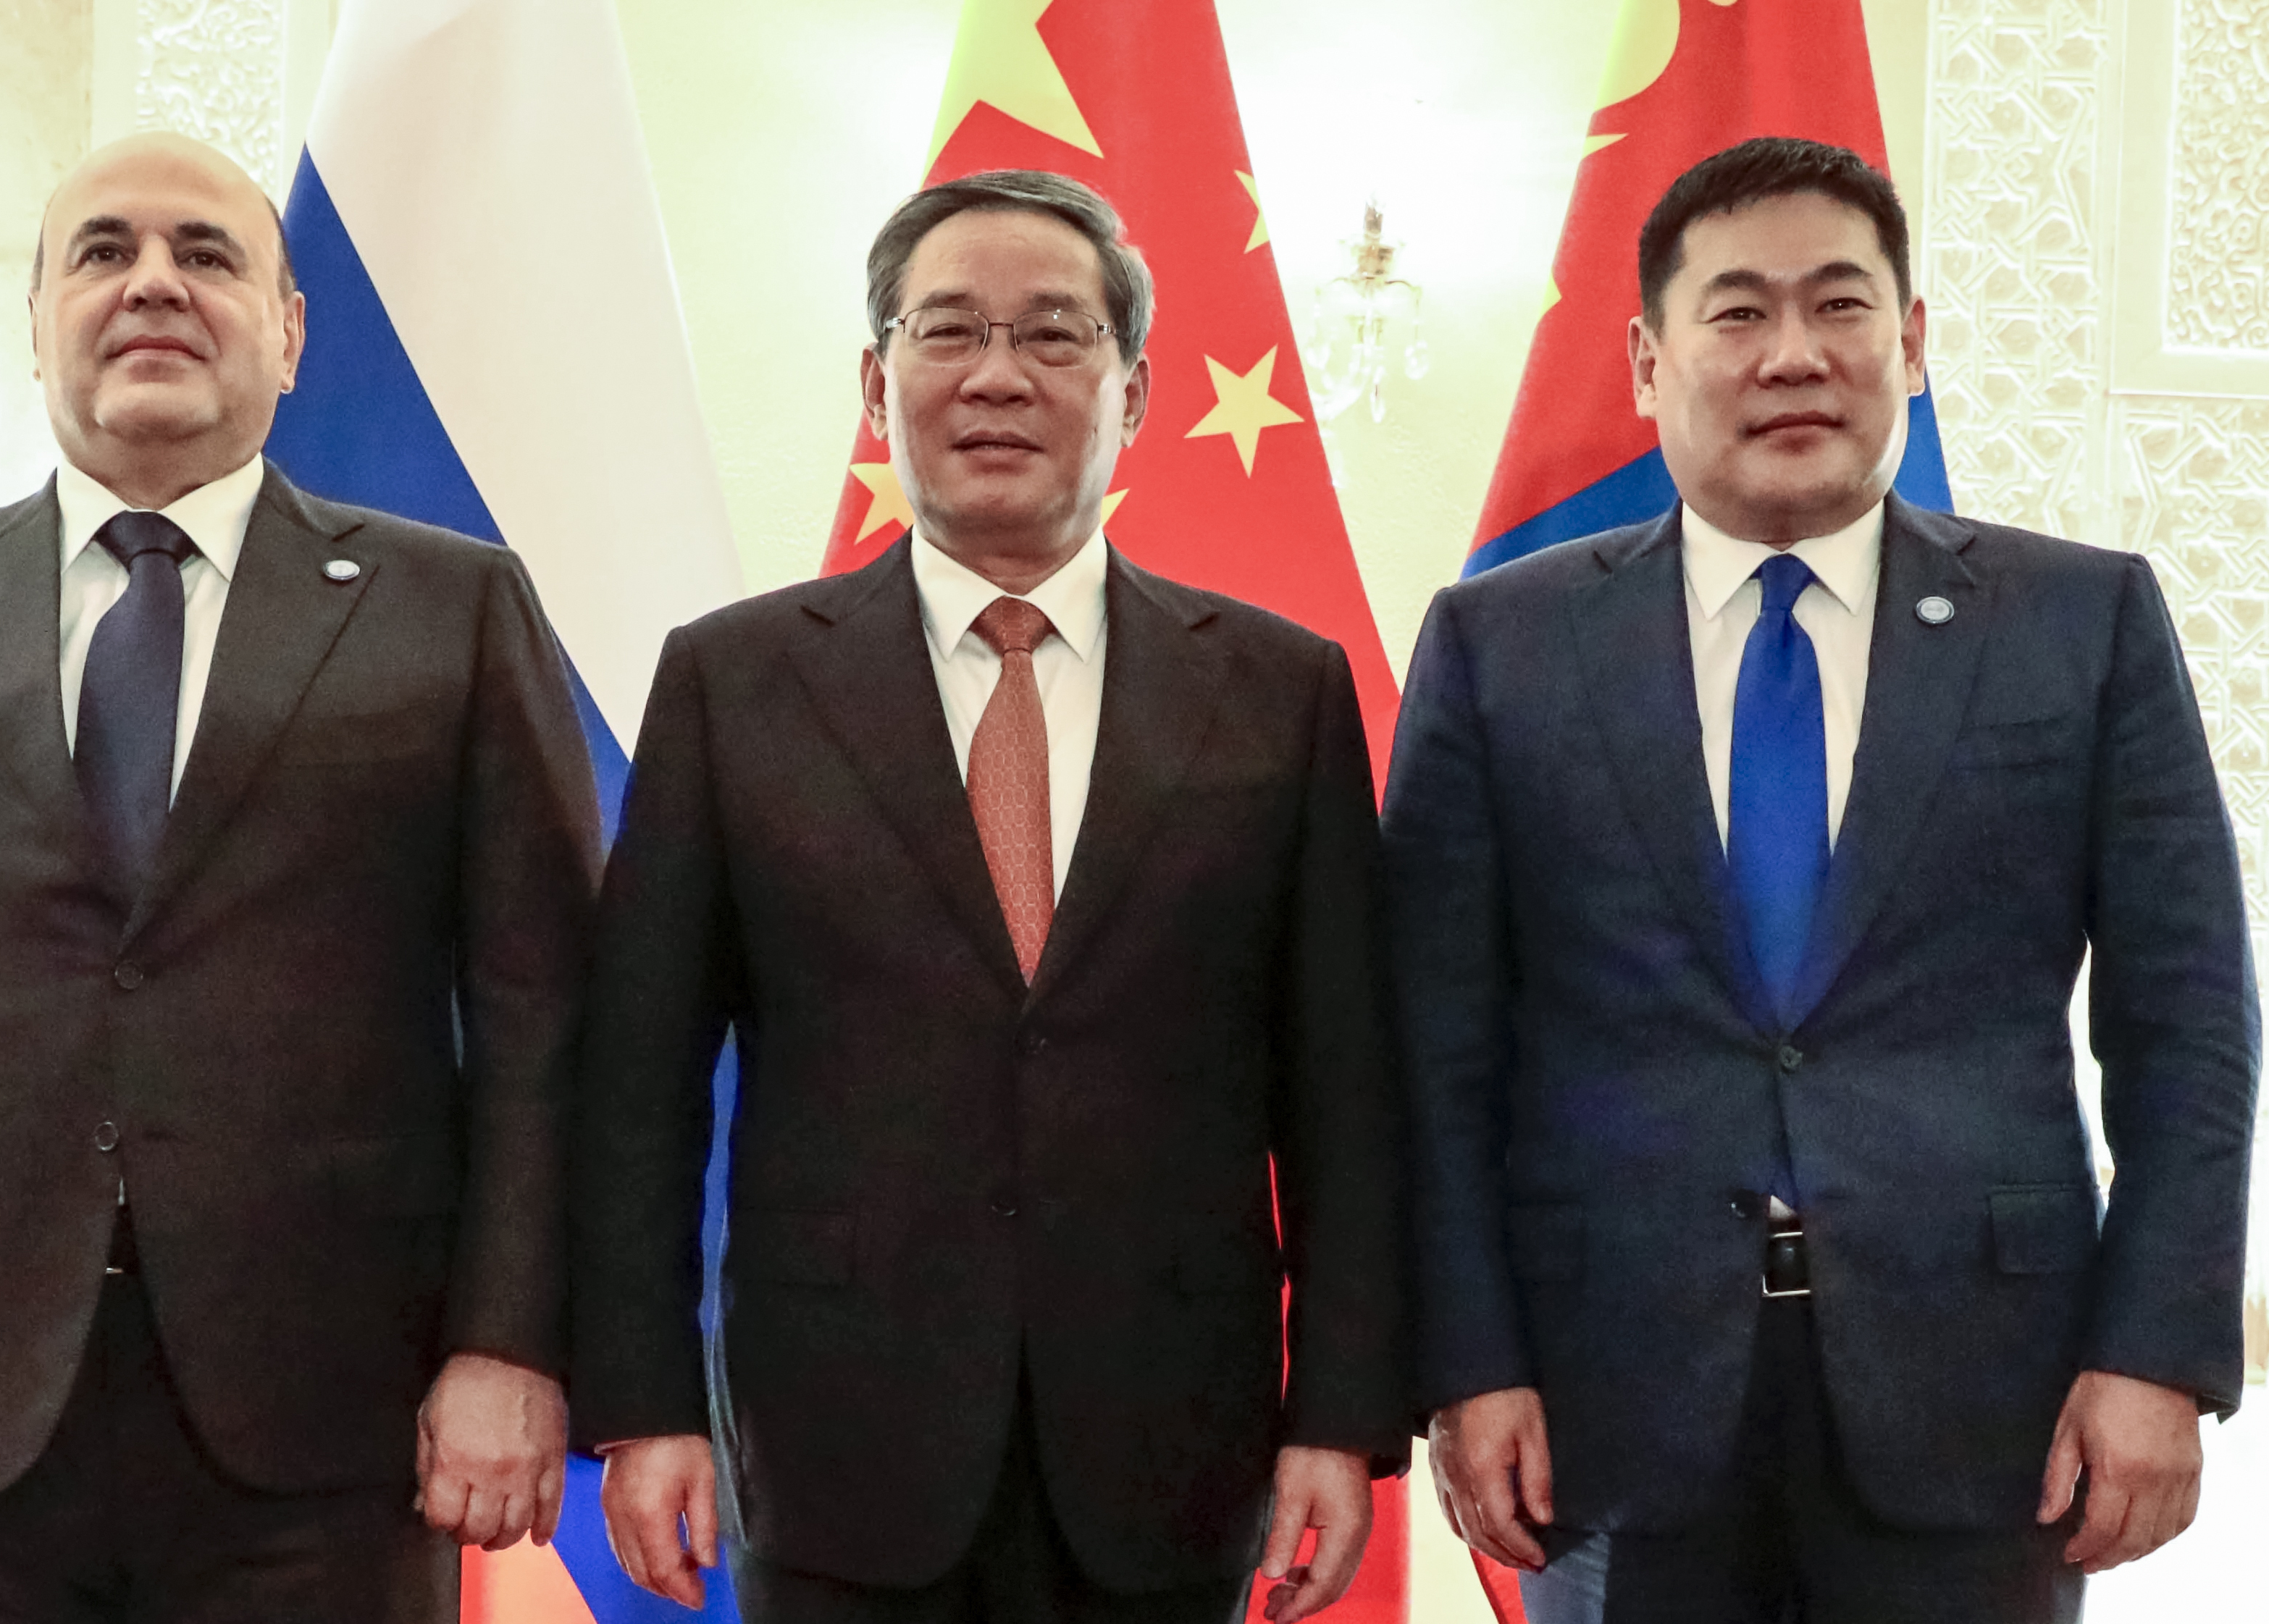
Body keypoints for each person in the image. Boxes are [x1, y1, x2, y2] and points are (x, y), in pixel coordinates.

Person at [0, 132, 600, 1622]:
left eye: (206, 253)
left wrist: (511, 1343)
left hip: (329, 1419)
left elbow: (548, 1026)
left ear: (290, 334)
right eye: (102, 252)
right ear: (35, 322)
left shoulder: (453, 610)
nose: (151, 283)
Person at [1383, 135, 2259, 1624]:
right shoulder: (1498, 647)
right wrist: (1466, 1364)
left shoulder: (2077, 622)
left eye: (1838, 305)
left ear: (1906, 345)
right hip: (1612, 1402)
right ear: (1648, 362)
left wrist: (2157, 1353)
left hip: (1986, 1401)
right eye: (1734, 314)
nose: (1791, 352)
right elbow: (1432, 1047)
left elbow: (2186, 1024)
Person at [570, 169, 1407, 1624]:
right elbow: (635, 1084)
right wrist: (644, 1405)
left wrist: (1337, 1417)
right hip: (838, 1443)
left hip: (1171, 1444)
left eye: (1053, 337)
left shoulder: (1279, 692)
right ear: (874, 380)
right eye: (946, 332)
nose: (997, 378)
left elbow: (1341, 1092)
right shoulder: (735, 682)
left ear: (1133, 392)